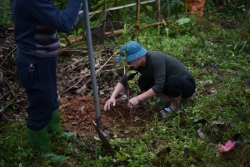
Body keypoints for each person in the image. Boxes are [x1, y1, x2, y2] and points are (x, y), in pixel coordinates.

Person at [12, 0, 82, 162]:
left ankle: (53, 131)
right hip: (34, 62)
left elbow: (55, 21)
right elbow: (64, 23)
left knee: (50, 97)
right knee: (40, 103)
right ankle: (41, 151)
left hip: (43, 58)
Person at [104, 41, 196, 117]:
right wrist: (113, 97)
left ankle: (175, 105)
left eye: (129, 61)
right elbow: (125, 80)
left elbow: (159, 86)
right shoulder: (136, 65)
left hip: (186, 86)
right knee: (143, 81)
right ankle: (166, 99)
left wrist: (138, 98)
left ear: (138, 57)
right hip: (168, 84)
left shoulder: (155, 59)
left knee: (172, 80)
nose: (128, 64)